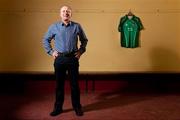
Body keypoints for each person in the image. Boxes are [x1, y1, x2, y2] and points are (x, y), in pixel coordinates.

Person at [43, 5, 88, 117]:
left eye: (68, 11)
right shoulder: (54, 27)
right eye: (63, 11)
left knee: (74, 85)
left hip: (73, 58)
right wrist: (51, 52)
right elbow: (45, 40)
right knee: (59, 85)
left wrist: (80, 51)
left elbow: (84, 40)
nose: (65, 13)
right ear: (60, 14)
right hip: (60, 59)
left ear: (71, 14)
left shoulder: (77, 26)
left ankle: (77, 107)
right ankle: (58, 108)